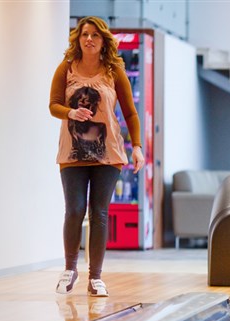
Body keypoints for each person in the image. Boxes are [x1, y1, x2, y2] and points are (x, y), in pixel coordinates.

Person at [49, 16, 144, 297]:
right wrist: (71, 112)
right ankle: (70, 269)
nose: (88, 39)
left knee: (99, 213)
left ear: (103, 41)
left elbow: (130, 113)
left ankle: (96, 278)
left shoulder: (114, 71)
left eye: (95, 35)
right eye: (84, 34)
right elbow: (53, 104)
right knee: (75, 210)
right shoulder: (65, 69)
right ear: (78, 39)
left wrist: (136, 146)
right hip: (72, 152)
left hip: (108, 153)